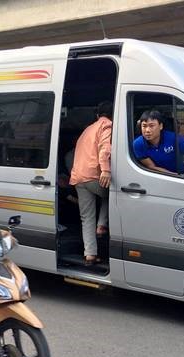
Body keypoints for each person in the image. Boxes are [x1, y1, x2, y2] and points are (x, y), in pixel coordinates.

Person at [69, 102, 113, 266]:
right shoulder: (107, 125)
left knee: (86, 218)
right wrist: (106, 170)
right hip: (94, 175)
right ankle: (102, 225)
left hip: (79, 177)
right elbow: (105, 149)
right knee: (114, 195)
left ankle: (90, 255)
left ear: (97, 115)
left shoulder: (88, 129)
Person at [133, 110, 184, 175]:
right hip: (161, 177)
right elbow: (151, 166)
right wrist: (174, 176)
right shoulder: (138, 144)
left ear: (160, 126)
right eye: (144, 126)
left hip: (183, 177)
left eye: (151, 126)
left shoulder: (174, 138)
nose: (147, 130)